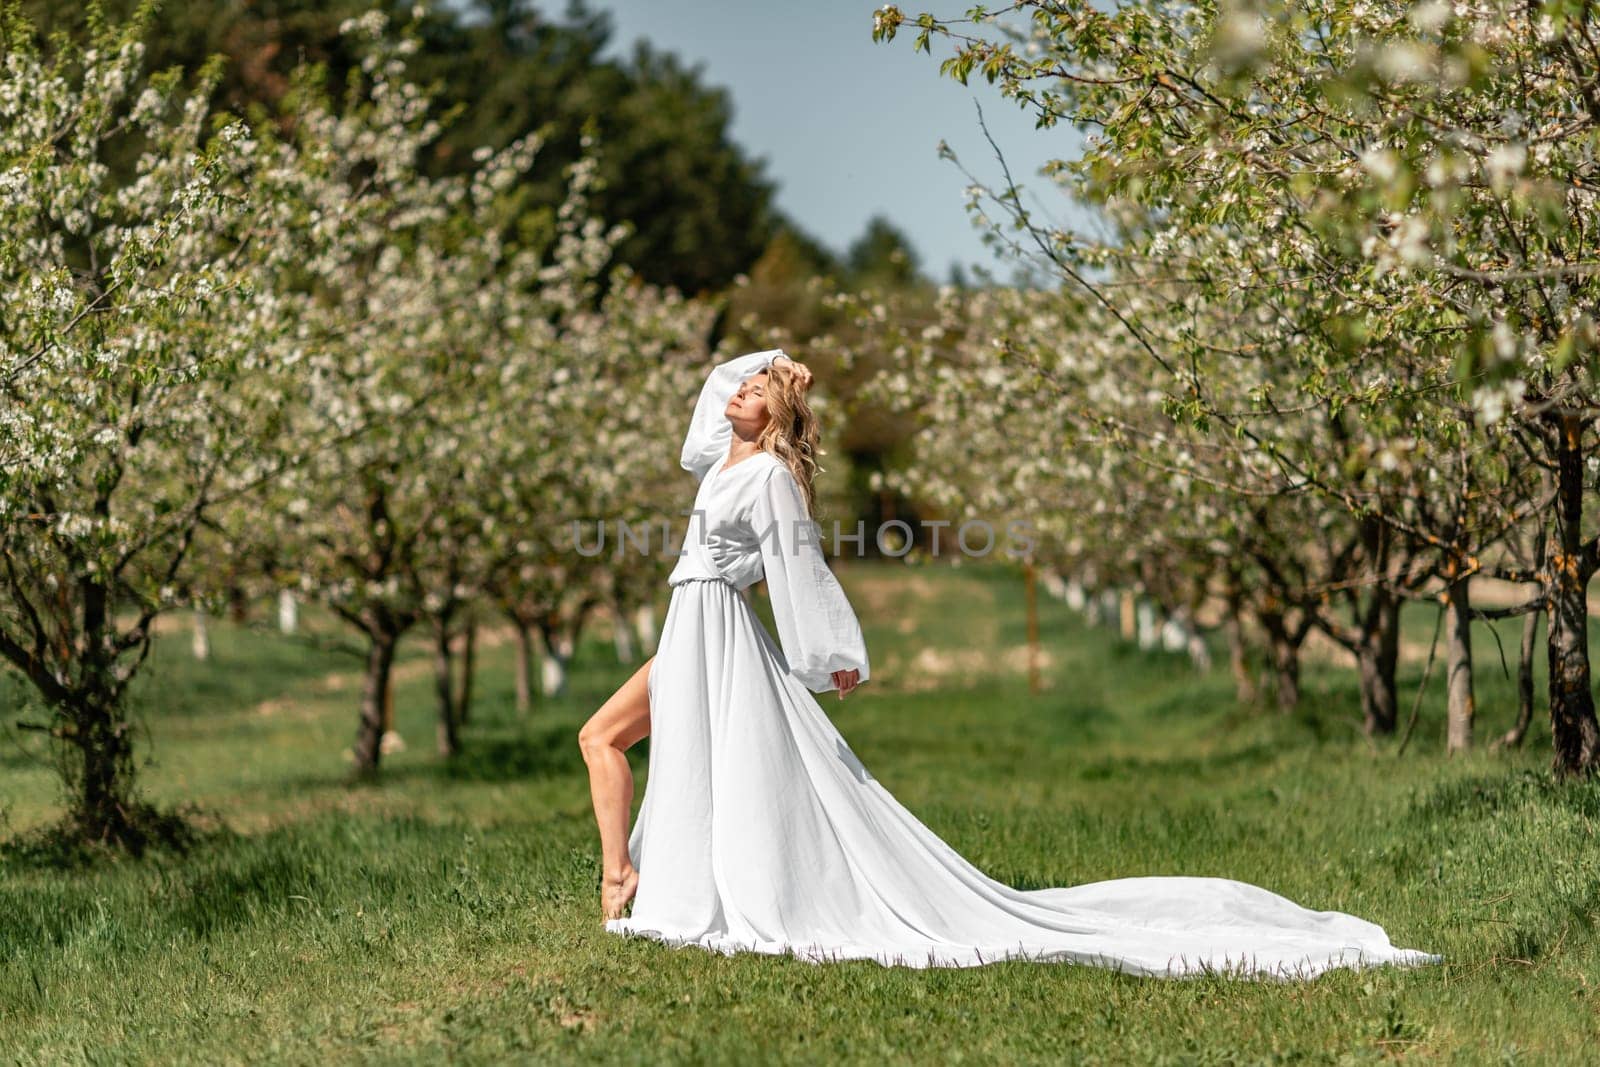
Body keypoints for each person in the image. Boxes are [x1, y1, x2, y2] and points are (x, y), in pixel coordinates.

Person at [577, 349, 1441, 977]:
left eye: (756, 386)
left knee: (629, 742)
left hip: (718, 630)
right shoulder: (720, 465)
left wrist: (828, 653)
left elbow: (798, 564)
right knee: (610, 740)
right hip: (691, 626)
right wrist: (773, 367)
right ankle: (635, 880)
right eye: (740, 380)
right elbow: (717, 400)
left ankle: (629, 882)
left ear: (776, 414)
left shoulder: (767, 476)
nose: (737, 389)